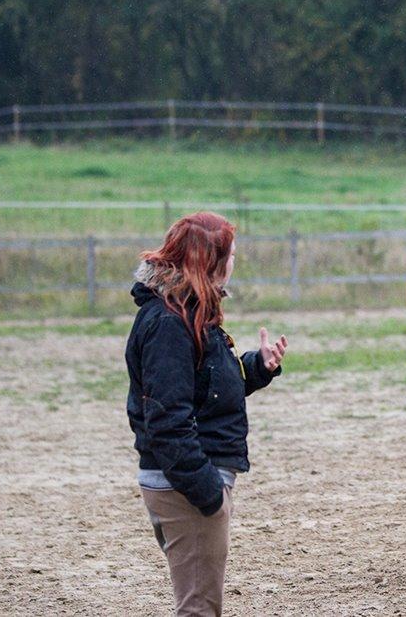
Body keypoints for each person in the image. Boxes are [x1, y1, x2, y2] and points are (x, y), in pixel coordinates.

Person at [125, 212, 288, 616]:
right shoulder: (169, 323)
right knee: (198, 609)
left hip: (188, 484)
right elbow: (166, 420)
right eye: (230, 254)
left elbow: (207, 388)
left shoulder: (191, 312)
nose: (235, 261)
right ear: (210, 261)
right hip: (186, 490)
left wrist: (255, 366)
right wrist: (208, 493)